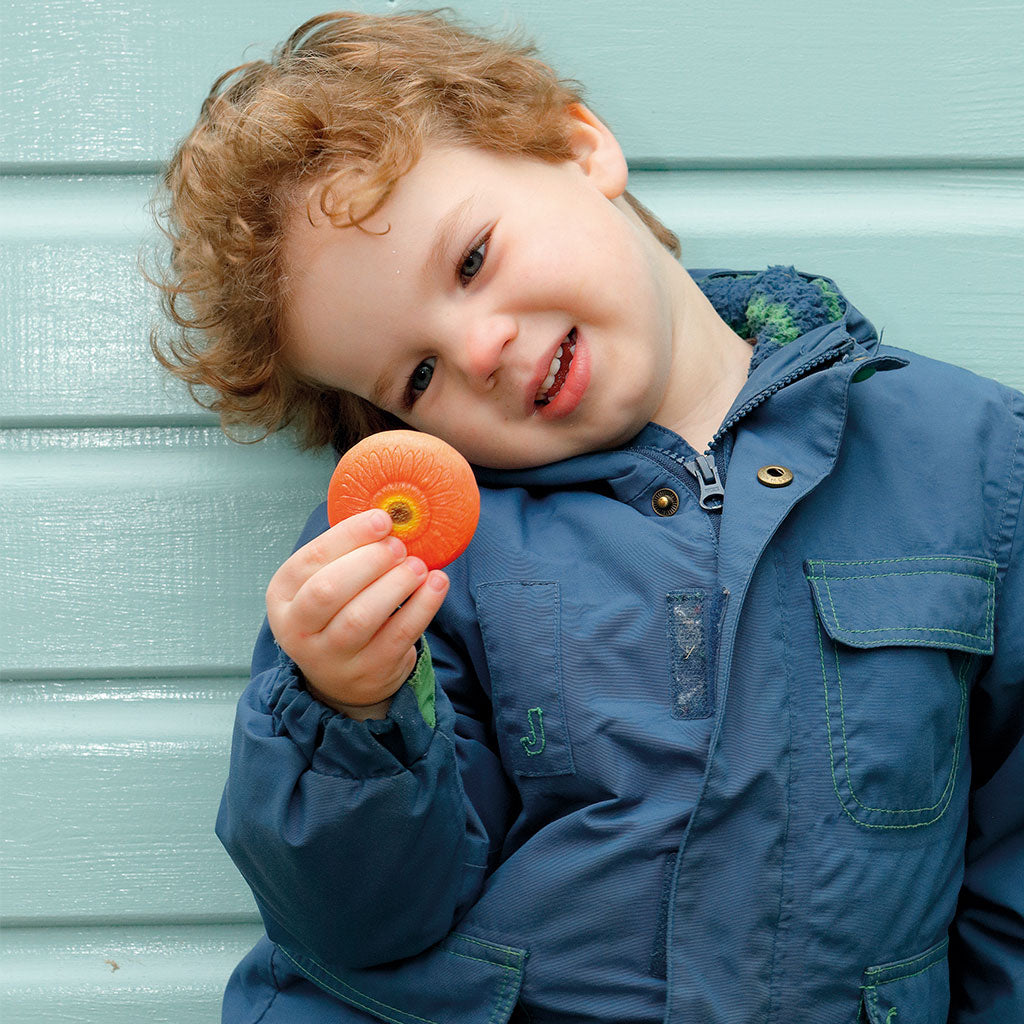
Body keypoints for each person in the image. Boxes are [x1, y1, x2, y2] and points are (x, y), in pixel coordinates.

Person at [149, 10, 1024, 1023]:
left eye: (471, 259)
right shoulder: (411, 563)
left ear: (578, 147)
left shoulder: (967, 458)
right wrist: (352, 713)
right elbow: (360, 922)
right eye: (418, 375)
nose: (478, 350)